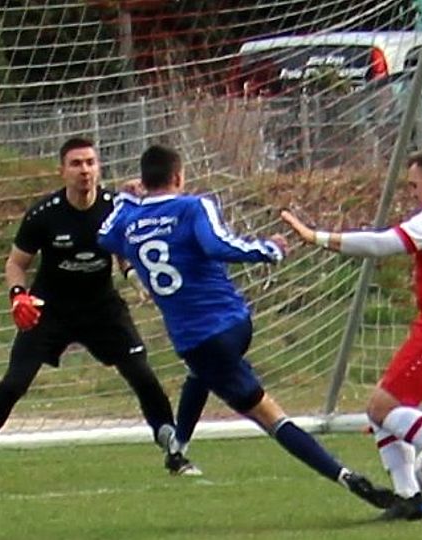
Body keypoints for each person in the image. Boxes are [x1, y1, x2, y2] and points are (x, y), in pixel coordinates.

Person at [97, 144, 396, 512]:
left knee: (269, 416)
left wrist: (126, 199)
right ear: (178, 176)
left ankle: (347, 477)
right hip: (234, 323)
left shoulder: (128, 220)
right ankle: (178, 448)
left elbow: (104, 235)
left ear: (144, 180)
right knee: (202, 374)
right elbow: (217, 244)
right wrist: (267, 249)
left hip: (198, 339)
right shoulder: (193, 206)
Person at [0, 137, 194, 489]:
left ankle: (174, 451)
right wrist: (18, 296)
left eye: (90, 162)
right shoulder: (44, 214)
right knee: (14, 383)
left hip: (102, 308)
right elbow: (15, 263)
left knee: (142, 374)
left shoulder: (115, 207)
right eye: (76, 164)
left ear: (99, 168)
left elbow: (125, 250)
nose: (84, 170)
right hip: (50, 309)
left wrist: (135, 277)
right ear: (62, 170)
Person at [280, 114, 422, 520]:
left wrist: (317, 237)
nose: (413, 194)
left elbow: (381, 244)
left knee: (383, 409)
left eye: (414, 186)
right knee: (384, 406)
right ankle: (409, 498)